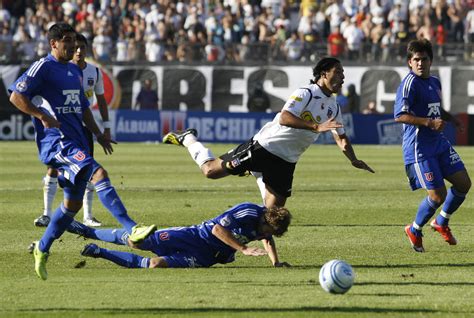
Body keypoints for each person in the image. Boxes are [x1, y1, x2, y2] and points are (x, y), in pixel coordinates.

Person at [8, 23, 156, 280]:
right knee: (98, 173)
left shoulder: (74, 71)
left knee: (71, 205)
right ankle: (132, 227)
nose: (73, 46)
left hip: (78, 141)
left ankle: (42, 248)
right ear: (53, 43)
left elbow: (84, 108)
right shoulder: (42, 67)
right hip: (58, 142)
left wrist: (98, 133)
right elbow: (16, 96)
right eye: (67, 41)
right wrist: (41, 115)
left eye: (75, 41)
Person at [163, 57, 375, 208]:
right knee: (210, 171)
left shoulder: (334, 106)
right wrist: (315, 127)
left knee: (273, 213)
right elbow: (284, 117)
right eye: (338, 72)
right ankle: (188, 138)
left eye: (343, 74)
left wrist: (353, 159)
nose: (342, 77)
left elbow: (342, 138)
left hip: (287, 160)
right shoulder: (306, 93)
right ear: (323, 74)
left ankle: (263, 250)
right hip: (265, 147)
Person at [394, 39, 471, 253]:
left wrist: (452, 119)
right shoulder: (408, 84)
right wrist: (429, 122)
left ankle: (441, 222)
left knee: (464, 183)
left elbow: (435, 108)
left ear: (431, 61)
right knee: (438, 196)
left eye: (424, 59)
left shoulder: (435, 82)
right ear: (409, 62)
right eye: (416, 60)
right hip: (419, 148)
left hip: (439, 144)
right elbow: (400, 115)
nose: (420, 63)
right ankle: (415, 229)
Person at [34, 33, 110, 228]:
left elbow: (100, 100)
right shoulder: (62, 70)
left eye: (81, 47)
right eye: (74, 47)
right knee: (53, 168)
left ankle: (88, 215)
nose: (77, 51)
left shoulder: (94, 72)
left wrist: (105, 129)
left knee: (88, 169)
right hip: (64, 125)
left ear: (86, 49)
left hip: (84, 126)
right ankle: (46, 213)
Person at [69, 202, 291, 269]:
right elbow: (217, 229)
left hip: (206, 258)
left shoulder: (265, 229)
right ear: (267, 220)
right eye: (267, 230)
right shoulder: (248, 212)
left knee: (155, 265)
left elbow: (267, 240)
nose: (265, 236)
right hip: (195, 236)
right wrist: (242, 249)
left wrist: (276, 263)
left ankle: (100, 252)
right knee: (138, 242)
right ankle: (87, 231)